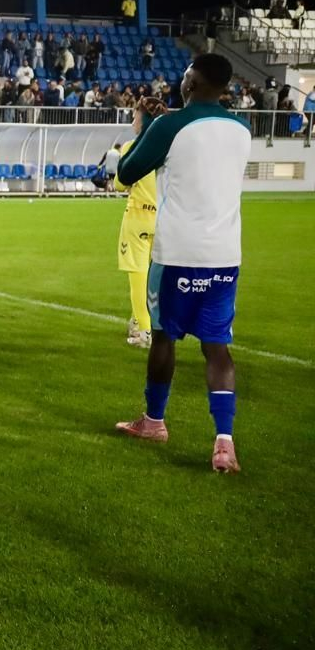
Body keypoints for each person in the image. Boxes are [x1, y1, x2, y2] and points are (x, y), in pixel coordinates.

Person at [112, 55, 250, 473]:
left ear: (191, 82)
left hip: (177, 253)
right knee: (217, 346)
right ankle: (224, 442)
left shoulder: (169, 126)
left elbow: (127, 171)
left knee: (164, 337)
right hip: (225, 253)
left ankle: (154, 422)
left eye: (186, 75)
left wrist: (150, 128)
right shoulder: (242, 129)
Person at [112, 108, 159, 347]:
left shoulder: (132, 146)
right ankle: (139, 320)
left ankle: (144, 330)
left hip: (138, 216)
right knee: (156, 275)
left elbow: (120, 183)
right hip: (163, 219)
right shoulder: (169, 147)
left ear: (144, 121)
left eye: (135, 117)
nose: (132, 122)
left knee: (138, 275)